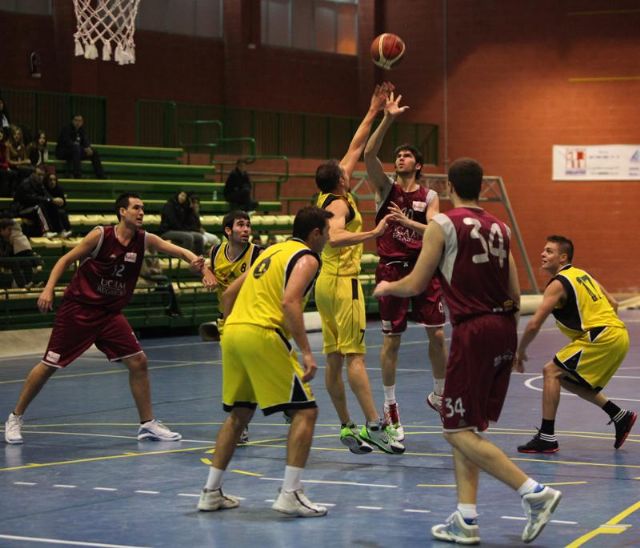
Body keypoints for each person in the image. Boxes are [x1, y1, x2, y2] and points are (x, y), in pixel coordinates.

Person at [373, 158, 561, 544]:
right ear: (480, 186)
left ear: (449, 187)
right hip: (504, 327)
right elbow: (513, 291)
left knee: (455, 432)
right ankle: (466, 518)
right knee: (468, 427)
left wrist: (387, 289)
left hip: (473, 329)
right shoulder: (502, 227)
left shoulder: (444, 224)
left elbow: (416, 282)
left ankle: (534, 493)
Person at [4, 192, 217, 445]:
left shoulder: (143, 238)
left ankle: (147, 424)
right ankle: (15, 417)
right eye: (136, 208)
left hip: (109, 315)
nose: (141, 212)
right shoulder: (100, 236)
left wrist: (200, 265)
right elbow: (64, 259)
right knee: (50, 364)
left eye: (143, 208)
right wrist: (49, 288)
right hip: (79, 310)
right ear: (122, 212)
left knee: (139, 361)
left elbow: (179, 250)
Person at [197, 206, 332, 517]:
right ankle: (290, 494)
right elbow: (289, 301)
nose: (329, 238)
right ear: (315, 234)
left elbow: (229, 294)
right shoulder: (307, 258)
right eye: (327, 232)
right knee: (306, 412)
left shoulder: (271, 251)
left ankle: (210, 492)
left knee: (238, 414)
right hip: (263, 332)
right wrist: (307, 351)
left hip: (231, 333)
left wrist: (235, 326)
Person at [314, 82, 404, 455]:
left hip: (324, 286)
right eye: (344, 170)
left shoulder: (328, 192)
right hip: (342, 284)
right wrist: (375, 231)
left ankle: (348, 427)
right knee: (355, 358)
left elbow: (354, 147)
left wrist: (374, 111)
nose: (348, 166)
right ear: (341, 179)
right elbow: (334, 237)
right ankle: (374, 426)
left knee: (334, 360)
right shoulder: (338, 205)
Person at [364, 90, 448, 439]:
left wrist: (408, 222)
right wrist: (388, 117)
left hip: (423, 267)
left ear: (419, 163)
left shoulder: (429, 196)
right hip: (392, 267)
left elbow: (435, 229)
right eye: (397, 154)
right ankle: (390, 405)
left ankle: (440, 395)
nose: (400, 158)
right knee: (392, 342)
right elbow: (368, 153)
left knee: (438, 334)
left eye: (406, 155)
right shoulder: (385, 189)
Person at [515, 235, 636, 453]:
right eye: (543, 250)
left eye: (549, 251)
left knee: (550, 371)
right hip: (618, 335)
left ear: (563, 258)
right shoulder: (582, 275)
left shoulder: (558, 284)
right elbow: (614, 303)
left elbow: (533, 324)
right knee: (567, 379)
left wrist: (520, 351)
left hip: (604, 336)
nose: (542, 254)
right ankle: (619, 416)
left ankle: (547, 437)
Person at [13, 165, 64, 237]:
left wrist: (54, 200)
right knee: (39, 208)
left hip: (32, 207)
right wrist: (51, 200)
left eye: (42, 175)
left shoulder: (40, 184)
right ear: (33, 174)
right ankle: (45, 232)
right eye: (39, 175)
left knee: (52, 204)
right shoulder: (26, 184)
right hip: (22, 209)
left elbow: (46, 195)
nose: (41, 177)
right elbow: (33, 198)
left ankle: (60, 231)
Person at [55, 114, 106, 179]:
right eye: (76, 120)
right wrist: (80, 147)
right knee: (76, 148)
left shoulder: (82, 130)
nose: (78, 123)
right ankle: (77, 175)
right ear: (72, 121)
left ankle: (101, 175)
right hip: (64, 152)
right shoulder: (66, 128)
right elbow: (67, 142)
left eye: (80, 121)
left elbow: (85, 140)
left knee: (94, 152)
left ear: (82, 122)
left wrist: (88, 148)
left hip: (76, 152)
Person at [0, 217, 42, 289]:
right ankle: (22, 286)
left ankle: (29, 283)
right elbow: (3, 255)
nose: (11, 232)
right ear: (1, 230)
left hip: (7, 259)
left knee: (26, 262)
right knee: (14, 262)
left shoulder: (8, 238)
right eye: (9, 229)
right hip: (2, 260)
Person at [159, 191, 205, 255]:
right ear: (178, 195)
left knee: (199, 237)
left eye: (185, 197)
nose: (183, 198)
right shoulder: (169, 205)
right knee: (188, 237)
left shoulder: (183, 207)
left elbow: (189, 220)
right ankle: (184, 258)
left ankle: (199, 258)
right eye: (182, 195)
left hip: (179, 230)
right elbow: (173, 222)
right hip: (167, 231)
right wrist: (184, 230)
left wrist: (190, 207)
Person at [43, 172, 72, 238]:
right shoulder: (43, 188)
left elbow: (64, 203)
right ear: (47, 181)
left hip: (57, 208)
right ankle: (61, 231)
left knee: (62, 212)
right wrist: (54, 201)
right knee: (56, 211)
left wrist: (61, 202)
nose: (52, 182)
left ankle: (68, 230)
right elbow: (44, 200)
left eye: (54, 180)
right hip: (46, 209)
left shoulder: (59, 189)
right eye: (50, 180)